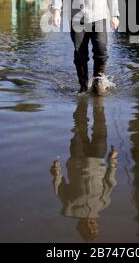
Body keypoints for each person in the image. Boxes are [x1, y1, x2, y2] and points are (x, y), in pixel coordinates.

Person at [50, 95, 118, 241]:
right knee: (101, 128)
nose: (93, 227)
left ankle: (81, 102)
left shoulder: (69, 210)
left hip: (77, 160)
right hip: (98, 160)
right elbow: (110, 181)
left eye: (90, 231)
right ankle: (98, 103)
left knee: (79, 128)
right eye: (96, 229)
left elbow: (59, 188)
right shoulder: (103, 204)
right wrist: (112, 161)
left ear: (81, 229)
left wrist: (56, 174)